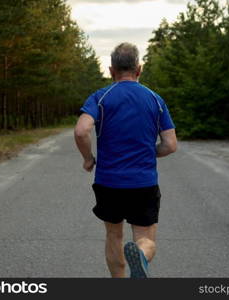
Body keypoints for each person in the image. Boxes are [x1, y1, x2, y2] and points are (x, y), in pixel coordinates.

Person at [74, 42, 177, 278]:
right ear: (139, 69)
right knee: (145, 238)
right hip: (143, 182)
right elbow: (171, 145)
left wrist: (88, 159)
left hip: (108, 182)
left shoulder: (101, 97)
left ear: (111, 70)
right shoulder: (155, 99)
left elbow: (81, 131)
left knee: (114, 236)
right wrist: (150, 152)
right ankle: (141, 255)